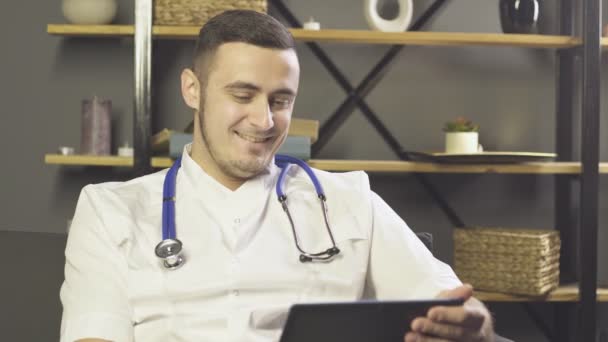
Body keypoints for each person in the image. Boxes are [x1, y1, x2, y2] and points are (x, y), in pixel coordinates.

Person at [60, 10, 495, 342]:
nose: (264, 120)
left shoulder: (349, 199)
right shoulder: (109, 209)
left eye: (281, 100)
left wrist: (473, 324)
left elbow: (453, 300)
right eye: (243, 94)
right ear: (192, 89)